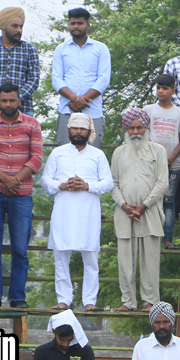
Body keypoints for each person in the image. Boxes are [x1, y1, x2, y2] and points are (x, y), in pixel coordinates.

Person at [0, 84, 43, 308]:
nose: (8, 104)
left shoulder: (32, 124)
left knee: (20, 249)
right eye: (4, 100)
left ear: (19, 101)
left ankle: (17, 297)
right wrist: (5, 179)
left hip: (22, 194)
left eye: (12, 100)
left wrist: (15, 180)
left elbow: (37, 158)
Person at [41, 113, 113, 311]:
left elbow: (108, 182)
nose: (78, 132)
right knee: (61, 256)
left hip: (88, 212)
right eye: (75, 128)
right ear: (68, 130)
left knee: (91, 258)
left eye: (82, 129)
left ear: (89, 131)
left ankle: (90, 301)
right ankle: (64, 299)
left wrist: (86, 185)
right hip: (63, 210)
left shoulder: (97, 155)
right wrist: (62, 185)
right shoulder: (58, 153)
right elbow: (45, 180)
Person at [110, 108, 167, 312]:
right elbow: (113, 183)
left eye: (140, 128)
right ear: (126, 129)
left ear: (146, 128)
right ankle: (128, 302)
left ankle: (150, 301)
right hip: (124, 213)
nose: (136, 132)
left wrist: (144, 206)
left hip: (149, 212)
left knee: (150, 260)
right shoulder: (118, 153)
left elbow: (163, 183)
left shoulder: (158, 150)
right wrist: (124, 205)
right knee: (125, 260)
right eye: (132, 128)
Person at [53, 7, 111, 147]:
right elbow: (56, 79)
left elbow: (103, 79)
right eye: (73, 23)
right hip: (67, 109)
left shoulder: (100, 48)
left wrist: (82, 100)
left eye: (80, 23)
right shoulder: (61, 49)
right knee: (65, 152)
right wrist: (75, 99)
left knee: (92, 153)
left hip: (93, 111)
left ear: (88, 25)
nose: (76, 26)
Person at [145, 73, 180, 249]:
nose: (160, 91)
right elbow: (145, 134)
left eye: (164, 88)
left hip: (173, 164)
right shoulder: (148, 110)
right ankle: (150, 238)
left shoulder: (179, 113)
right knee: (150, 199)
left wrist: (170, 157)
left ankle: (168, 239)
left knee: (169, 201)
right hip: (152, 163)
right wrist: (158, 156)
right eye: (158, 87)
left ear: (173, 91)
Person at [0, 6, 41, 116]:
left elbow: (34, 79)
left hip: (23, 109)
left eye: (21, 27)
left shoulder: (29, 49)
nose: (19, 30)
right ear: (4, 26)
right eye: (15, 26)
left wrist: (17, 99)